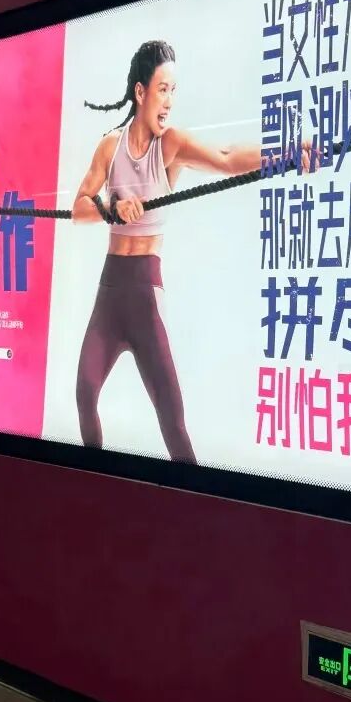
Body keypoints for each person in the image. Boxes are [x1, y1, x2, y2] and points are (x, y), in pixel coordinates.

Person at [71, 40, 274, 463]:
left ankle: (194, 491)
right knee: (85, 393)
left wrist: (284, 155)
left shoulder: (172, 144)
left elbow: (226, 157)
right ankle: (92, 479)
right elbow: (78, 208)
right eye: (162, 89)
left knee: (172, 419)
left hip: (145, 293)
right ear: (140, 92)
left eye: (173, 91)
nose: (169, 101)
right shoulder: (110, 147)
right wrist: (110, 208)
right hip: (110, 293)